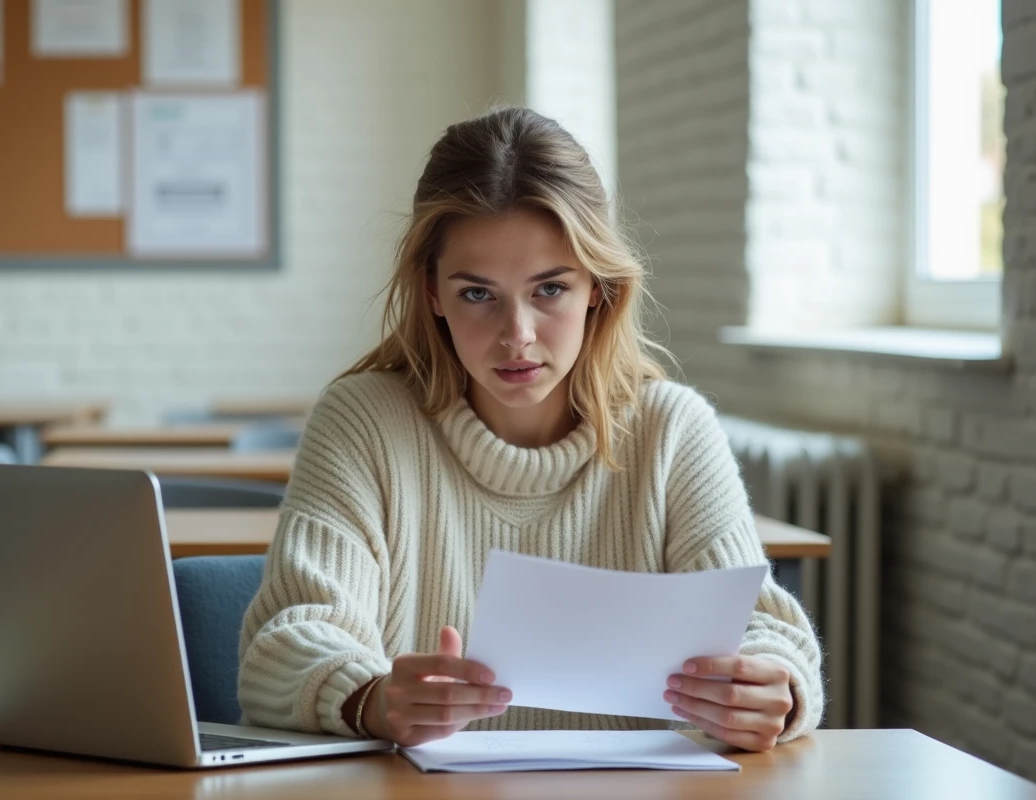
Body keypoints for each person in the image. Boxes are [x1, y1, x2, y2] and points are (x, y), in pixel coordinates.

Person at [237, 106, 823, 752]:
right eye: (477, 294)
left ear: (597, 287)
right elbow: (283, 644)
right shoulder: (363, 424)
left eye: (549, 290)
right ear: (432, 291)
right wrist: (371, 698)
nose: (517, 336)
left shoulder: (673, 430)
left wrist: (778, 690)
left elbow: (770, 635)